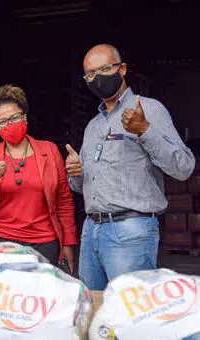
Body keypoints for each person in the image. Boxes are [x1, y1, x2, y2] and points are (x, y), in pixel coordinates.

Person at [67, 44, 195, 290]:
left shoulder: (148, 109)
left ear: (122, 69)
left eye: (104, 69)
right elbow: (83, 188)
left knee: (128, 315)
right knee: (94, 312)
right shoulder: (93, 126)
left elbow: (183, 167)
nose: (98, 78)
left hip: (130, 231)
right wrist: (75, 173)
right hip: (92, 229)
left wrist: (144, 130)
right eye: (90, 74)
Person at [0, 84, 78, 268]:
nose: (9, 124)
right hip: (1, 244)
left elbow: (63, 200)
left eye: (15, 117)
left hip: (45, 244)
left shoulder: (49, 150)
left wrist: (69, 244)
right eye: (2, 121)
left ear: (25, 117)